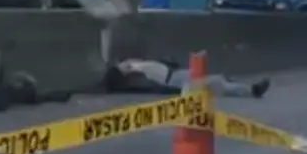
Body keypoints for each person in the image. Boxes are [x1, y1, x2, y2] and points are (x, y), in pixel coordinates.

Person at [105, 58, 270, 98]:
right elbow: (154, 86)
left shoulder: (138, 65)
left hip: (178, 75)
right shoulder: (136, 72)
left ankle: (248, 89)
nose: (127, 62)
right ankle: (252, 90)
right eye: (123, 65)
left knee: (218, 80)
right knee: (217, 83)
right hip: (177, 81)